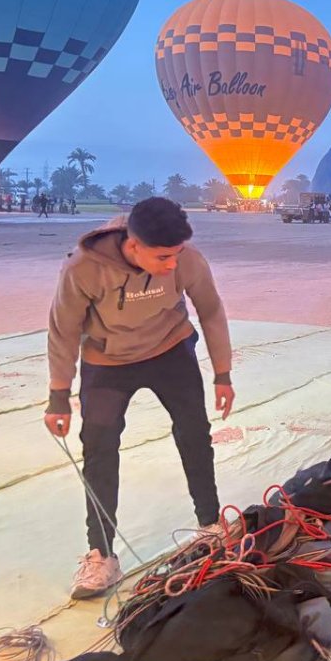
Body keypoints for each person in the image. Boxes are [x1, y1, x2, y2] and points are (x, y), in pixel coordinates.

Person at [45, 198, 235, 599]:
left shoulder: (186, 259)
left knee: (194, 433)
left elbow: (212, 311)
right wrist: (58, 396)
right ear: (133, 245)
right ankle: (101, 554)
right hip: (107, 360)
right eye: (163, 257)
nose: (172, 265)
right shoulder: (83, 267)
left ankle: (210, 526)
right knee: (98, 448)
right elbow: (62, 331)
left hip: (170, 348)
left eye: (177, 254)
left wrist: (223, 373)